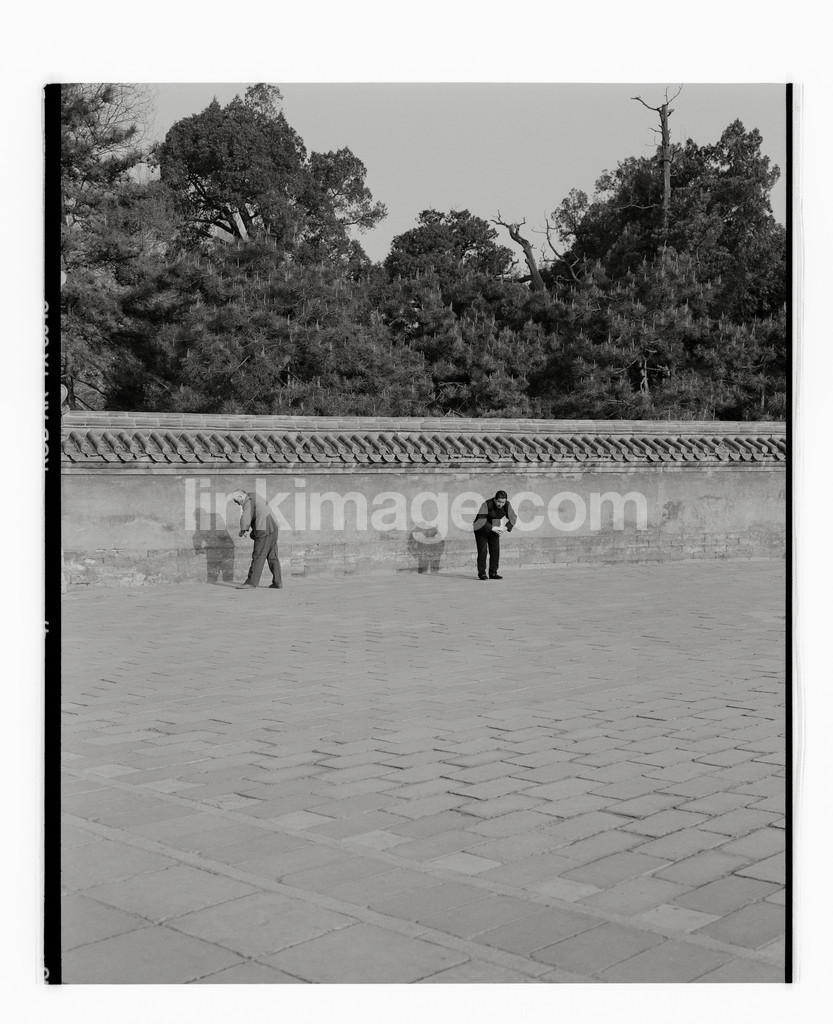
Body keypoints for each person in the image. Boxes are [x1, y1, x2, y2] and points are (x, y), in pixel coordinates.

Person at [229, 490, 283, 590]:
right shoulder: (254, 495)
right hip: (273, 527)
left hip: (264, 530)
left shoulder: (248, 500)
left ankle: (251, 583)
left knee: (258, 556)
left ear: (240, 496)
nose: (238, 504)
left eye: (237, 501)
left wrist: (243, 530)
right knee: (272, 556)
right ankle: (277, 582)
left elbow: (246, 516)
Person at [472, 490, 516, 580]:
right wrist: (493, 528)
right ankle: (482, 573)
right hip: (480, 527)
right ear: (495, 499)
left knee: (495, 549)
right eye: (499, 502)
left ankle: (493, 573)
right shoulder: (486, 504)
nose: (501, 504)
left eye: (503, 502)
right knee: (483, 551)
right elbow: (480, 519)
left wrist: (505, 528)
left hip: (495, 523)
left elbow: (513, 517)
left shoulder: (507, 505)